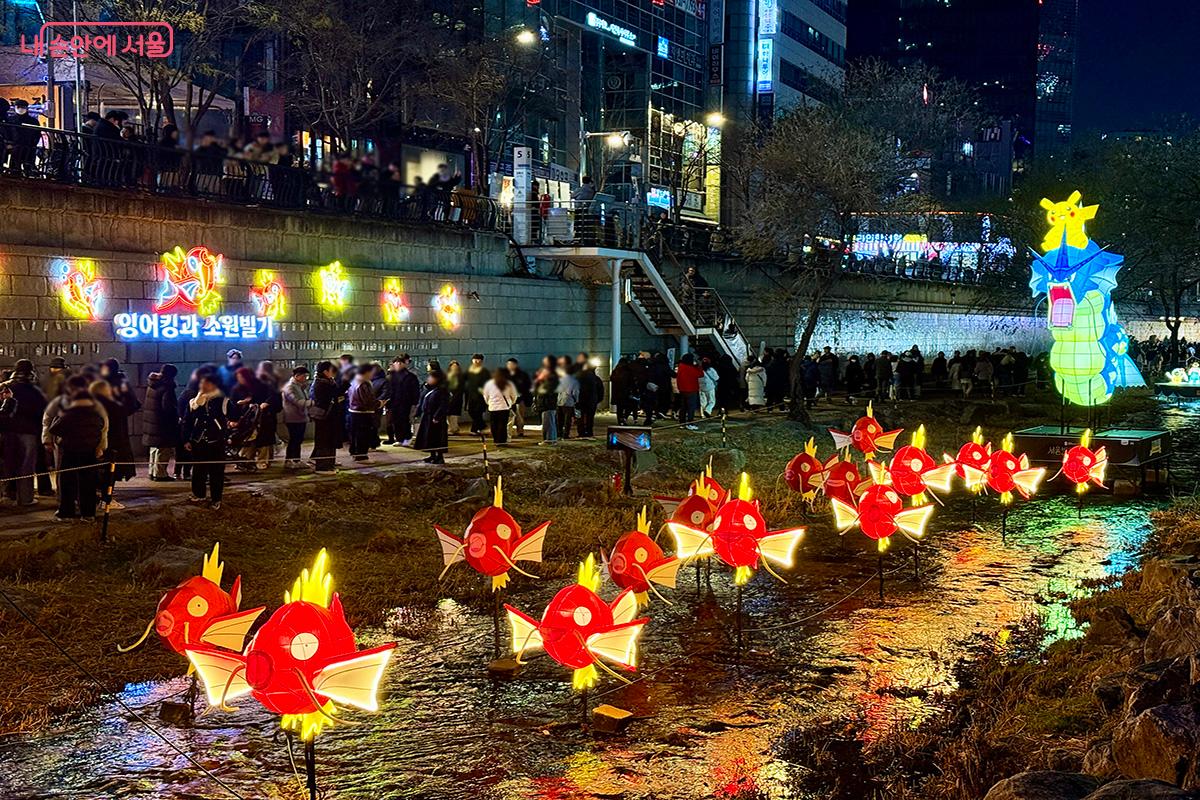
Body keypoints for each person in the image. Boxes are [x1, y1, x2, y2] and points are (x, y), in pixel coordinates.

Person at [47, 385, 106, 522]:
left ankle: (66, 513)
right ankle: (88, 513)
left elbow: (55, 428)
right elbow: (101, 427)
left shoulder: (69, 410)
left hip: (70, 449)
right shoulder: (96, 410)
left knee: (67, 482)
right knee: (88, 483)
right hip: (89, 450)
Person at [2, 360, 47, 507]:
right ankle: (26, 498)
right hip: (29, 432)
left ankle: (8, 495)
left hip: (6, 431)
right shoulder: (36, 390)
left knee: (7, 464)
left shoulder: (4, 387)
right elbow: (42, 412)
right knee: (26, 466)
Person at [183, 373, 230, 508]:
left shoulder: (222, 399)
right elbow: (188, 421)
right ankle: (199, 494)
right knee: (198, 470)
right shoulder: (194, 400)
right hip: (198, 441)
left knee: (216, 472)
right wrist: (186, 439)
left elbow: (231, 414)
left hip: (216, 440)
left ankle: (216, 499)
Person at [90, 380, 135, 508]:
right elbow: (108, 428)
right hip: (110, 444)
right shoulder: (112, 405)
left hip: (93, 443)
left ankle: (96, 499)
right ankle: (106, 500)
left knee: (95, 474)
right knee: (109, 473)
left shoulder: (91, 404)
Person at [142, 364, 180, 481]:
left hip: (152, 422)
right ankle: (160, 474)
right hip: (163, 424)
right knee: (164, 449)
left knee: (154, 448)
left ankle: (152, 471)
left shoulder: (153, 384)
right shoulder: (167, 387)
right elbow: (168, 407)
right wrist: (176, 417)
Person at [309, 361, 340, 472]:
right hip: (324, 416)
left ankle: (329, 465)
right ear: (325, 371)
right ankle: (323, 467)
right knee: (324, 441)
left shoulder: (329, 381)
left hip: (329, 416)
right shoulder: (321, 383)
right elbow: (326, 399)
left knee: (329, 441)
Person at [382, 355, 419, 446]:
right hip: (393, 402)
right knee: (396, 421)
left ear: (404, 364)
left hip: (406, 402)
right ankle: (399, 438)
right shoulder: (391, 376)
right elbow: (388, 390)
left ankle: (407, 437)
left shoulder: (410, 376)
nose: (398, 364)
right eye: (396, 362)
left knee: (405, 420)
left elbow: (415, 391)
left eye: (400, 362)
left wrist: (414, 402)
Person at [414, 369, 449, 463]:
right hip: (427, 417)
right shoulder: (430, 389)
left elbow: (443, 405)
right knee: (429, 437)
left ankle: (439, 457)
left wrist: (437, 416)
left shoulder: (442, 390)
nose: (429, 379)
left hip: (436, 418)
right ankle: (432, 455)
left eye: (431, 377)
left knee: (437, 437)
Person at [346, 365, 378, 462]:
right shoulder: (364, 384)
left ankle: (354, 452)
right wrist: (379, 403)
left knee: (354, 434)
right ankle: (361, 456)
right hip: (363, 412)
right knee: (363, 435)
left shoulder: (353, 381)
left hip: (353, 411)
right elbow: (367, 400)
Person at [282, 366, 312, 468]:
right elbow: (297, 402)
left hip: (299, 417)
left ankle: (295, 460)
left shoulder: (299, 386)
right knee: (294, 439)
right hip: (293, 418)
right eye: (305, 376)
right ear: (297, 376)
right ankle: (291, 460)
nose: (306, 378)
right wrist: (312, 403)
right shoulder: (290, 387)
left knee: (298, 439)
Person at [482, 368, 517, 446]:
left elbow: (485, 396)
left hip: (493, 407)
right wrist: (511, 403)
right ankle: (502, 441)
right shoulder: (508, 384)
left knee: (494, 425)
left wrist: (489, 403)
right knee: (503, 425)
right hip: (504, 407)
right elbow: (514, 395)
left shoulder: (489, 384)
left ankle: (496, 440)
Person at [532, 356, 559, 445]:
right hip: (546, 403)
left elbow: (548, 390)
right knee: (548, 422)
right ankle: (551, 439)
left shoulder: (552, 377)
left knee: (548, 423)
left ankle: (549, 440)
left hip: (547, 403)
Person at [576, 357, 604, 438]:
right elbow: (600, 391)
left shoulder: (579, 378)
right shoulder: (596, 379)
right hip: (592, 401)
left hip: (581, 400)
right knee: (590, 417)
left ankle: (581, 432)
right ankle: (589, 432)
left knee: (580, 417)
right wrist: (598, 400)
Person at [675, 353, 703, 429]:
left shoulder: (681, 366)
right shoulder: (691, 368)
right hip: (692, 389)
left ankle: (682, 423)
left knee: (683, 407)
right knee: (691, 407)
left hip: (682, 389)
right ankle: (690, 423)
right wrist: (699, 366)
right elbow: (700, 374)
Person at [463, 354, 489, 436]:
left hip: (480, 396)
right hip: (471, 396)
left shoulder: (484, 371)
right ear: (472, 360)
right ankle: (482, 426)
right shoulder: (469, 370)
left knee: (478, 413)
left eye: (479, 360)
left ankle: (474, 429)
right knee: (471, 412)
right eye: (475, 359)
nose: (477, 361)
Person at [506, 358, 532, 438]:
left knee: (520, 416)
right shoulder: (505, 375)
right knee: (509, 417)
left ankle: (520, 431)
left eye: (511, 364)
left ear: (515, 365)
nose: (510, 366)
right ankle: (509, 433)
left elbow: (528, 386)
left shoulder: (522, 375)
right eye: (508, 364)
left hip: (520, 399)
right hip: (508, 399)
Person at [556, 360, 580, 439]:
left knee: (560, 418)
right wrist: (576, 400)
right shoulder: (574, 381)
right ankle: (566, 434)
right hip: (569, 401)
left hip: (560, 400)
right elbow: (575, 392)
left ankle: (559, 432)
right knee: (567, 419)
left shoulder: (560, 380)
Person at [610, 357, 637, 425]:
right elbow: (631, 382)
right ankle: (624, 418)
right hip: (626, 393)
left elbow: (612, 380)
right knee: (629, 406)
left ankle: (620, 421)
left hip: (617, 393)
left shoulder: (616, 371)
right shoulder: (628, 371)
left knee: (619, 408)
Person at [446, 360, 464, 435]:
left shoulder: (460, 377)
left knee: (453, 414)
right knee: (449, 414)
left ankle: (453, 429)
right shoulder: (448, 376)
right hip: (448, 398)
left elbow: (461, 388)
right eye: (453, 366)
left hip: (456, 398)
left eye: (455, 366)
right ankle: (453, 428)